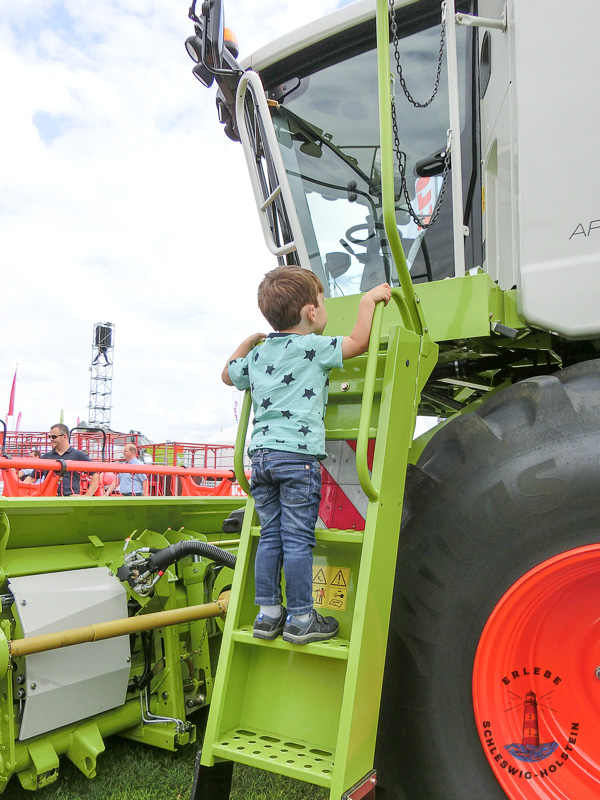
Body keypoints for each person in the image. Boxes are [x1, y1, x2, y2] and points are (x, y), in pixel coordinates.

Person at [223, 265, 391, 645]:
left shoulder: (260, 354)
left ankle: (268, 615)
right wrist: (367, 302)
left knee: (271, 537)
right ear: (311, 313)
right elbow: (359, 343)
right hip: (297, 458)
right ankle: (301, 618)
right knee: (298, 539)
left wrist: (248, 341)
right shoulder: (313, 347)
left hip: (261, 459)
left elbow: (227, 374)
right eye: (322, 299)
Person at [37, 424, 100, 497]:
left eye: (54, 437)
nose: (51, 439)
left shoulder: (79, 455)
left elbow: (96, 475)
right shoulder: (46, 456)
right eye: (49, 437)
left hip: (70, 500)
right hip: (49, 498)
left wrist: (87, 496)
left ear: (64, 436)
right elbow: (32, 477)